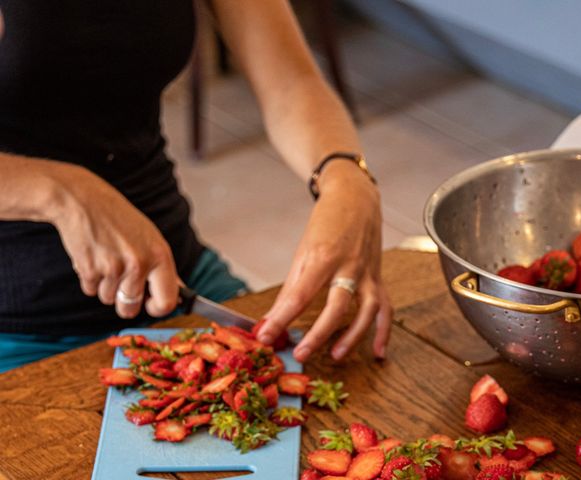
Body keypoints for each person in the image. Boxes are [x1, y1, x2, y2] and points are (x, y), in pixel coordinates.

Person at [0, 0, 392, 372]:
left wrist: (343, 174)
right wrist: (61, 192)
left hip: (180, 278)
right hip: (14, 326)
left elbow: (291, 83)